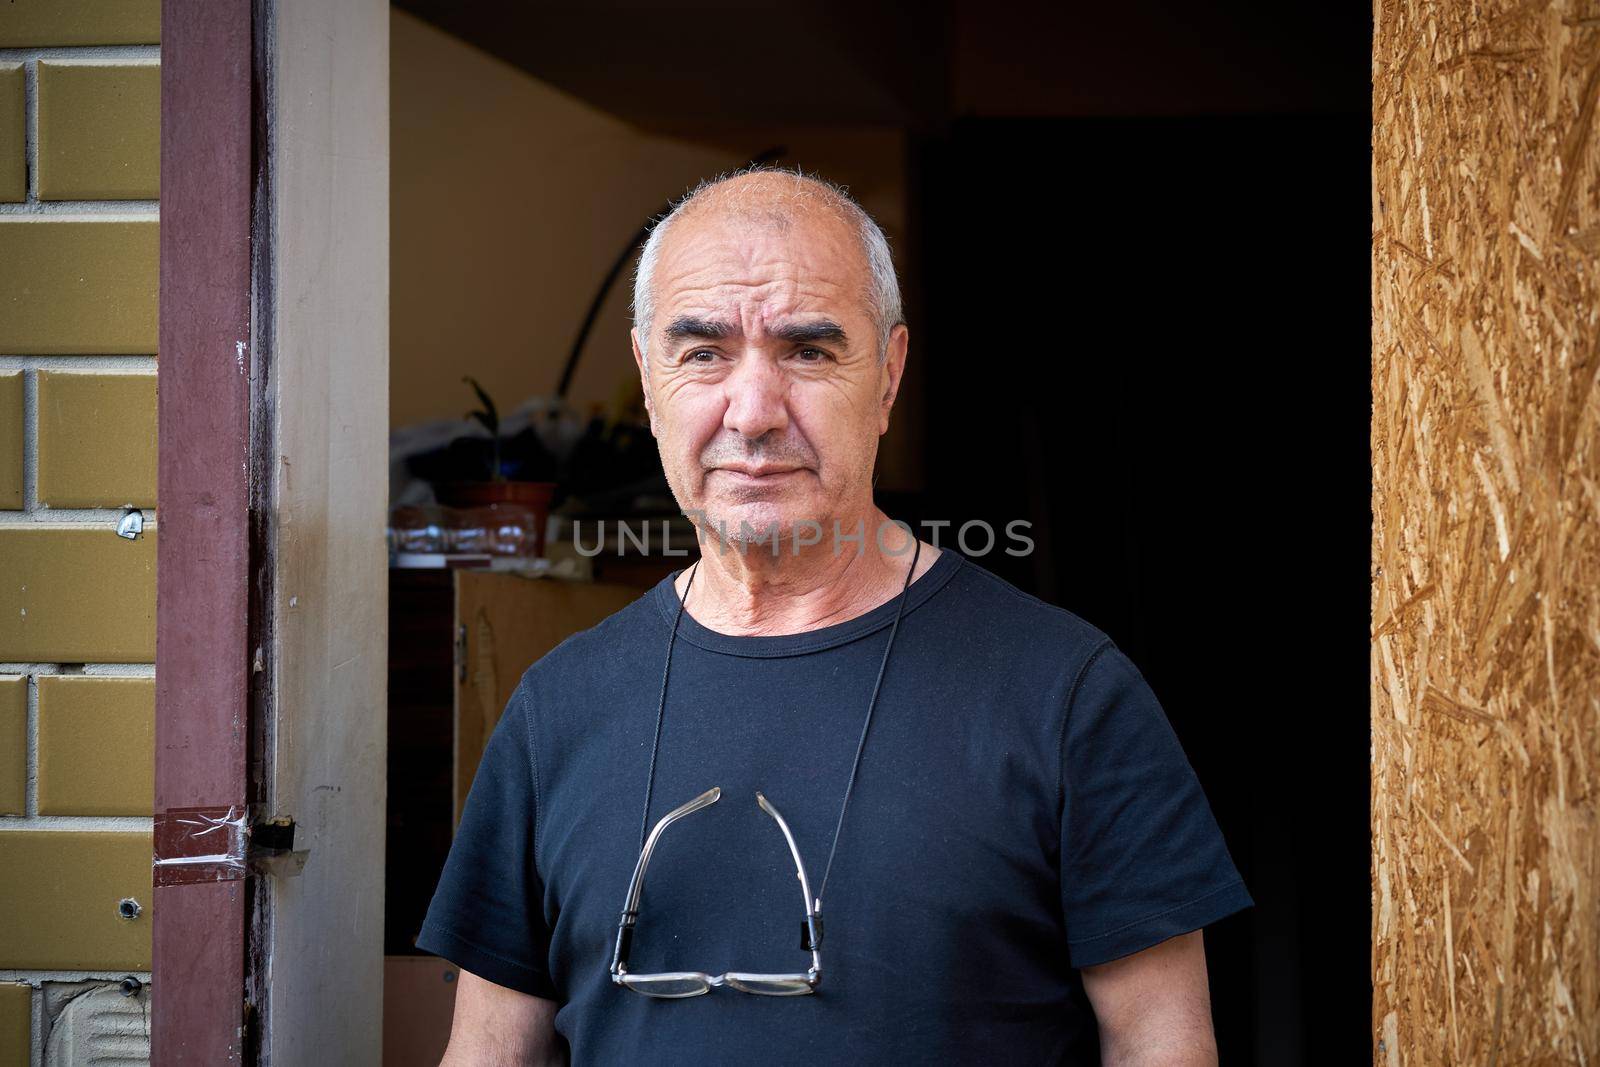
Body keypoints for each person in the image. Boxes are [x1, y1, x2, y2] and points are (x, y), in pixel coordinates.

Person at [419, 168, 1252, 1065]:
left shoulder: (1069, 699)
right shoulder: (558, 712)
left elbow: (1161, 1045)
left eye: (808, 351)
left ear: (889, 376)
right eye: (702, 352)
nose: (752, 411)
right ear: (648, 379)